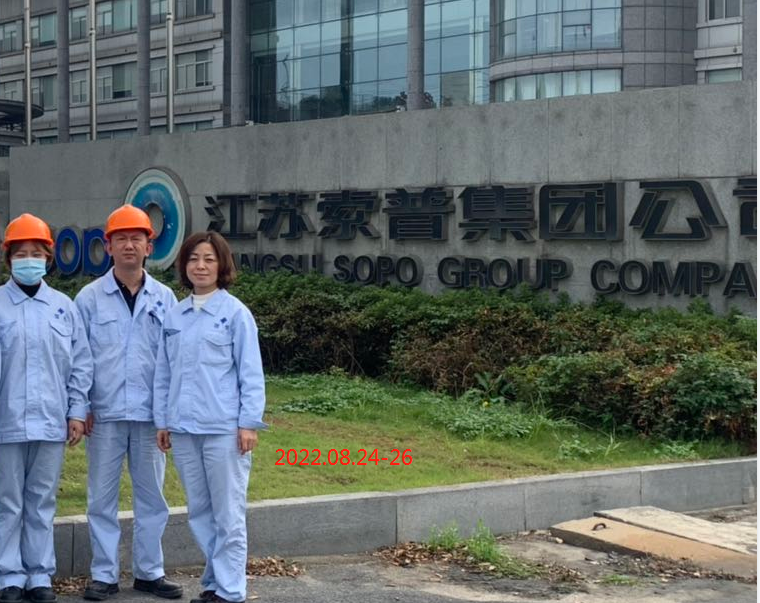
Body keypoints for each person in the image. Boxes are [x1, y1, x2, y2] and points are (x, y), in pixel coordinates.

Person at [74, 206, 181, 601]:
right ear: (108, 247)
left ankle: (149, 572)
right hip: (103, 416)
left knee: (153, 499)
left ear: (149, 246)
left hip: (150, 417)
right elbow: (79, 358)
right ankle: (103, 575)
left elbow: (173, 360)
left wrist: (168, 415)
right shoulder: (89, 299)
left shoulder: (165, 298)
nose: (129, 245)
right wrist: (80, 407)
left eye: (137, 238)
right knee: (101, 500)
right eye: (121, 239)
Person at [153, 232, 267, 603]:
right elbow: (164, 373)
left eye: (209, 259)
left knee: (228, 513)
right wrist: (162, 421)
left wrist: (248, 423)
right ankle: (214, 583)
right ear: (184, 265)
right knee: (200, 512)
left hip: (223, 430)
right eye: (193, 259)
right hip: (184, 429)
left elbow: (251, 372)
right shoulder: (175, 315)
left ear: (222, 266)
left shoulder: (236, 314)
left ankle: (230, 590)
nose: (200, 266)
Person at [0, 213, 93, 603]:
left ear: (48, 258)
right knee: (8, 502)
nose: (29, 260)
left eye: (36, 253)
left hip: (51, 421)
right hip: (6, 423)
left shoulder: (63, 307)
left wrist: (77, 411)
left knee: (41, 502)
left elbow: (81, 364)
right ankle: (9, 575)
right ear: (8, 258)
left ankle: (39, 574)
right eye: (20, 253)